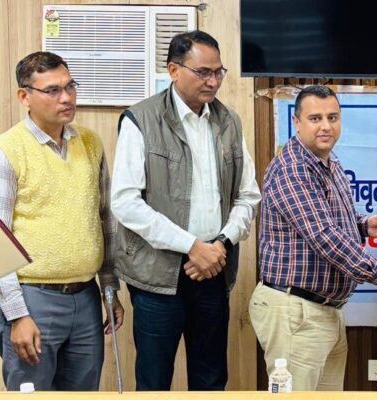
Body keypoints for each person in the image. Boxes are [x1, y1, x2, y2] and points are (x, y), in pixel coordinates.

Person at [111, 30, 260, 391]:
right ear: (173, 70)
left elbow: (248, 196)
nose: (213, 81)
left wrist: (219, 245)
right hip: (157, 274)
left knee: (211, 379)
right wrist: (192, 246)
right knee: (154, 381)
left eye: (219, 72)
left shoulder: (228, 121)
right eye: (203, 72)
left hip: (213, 268)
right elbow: (126, 202)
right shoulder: (141, 119)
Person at [249, 85, 377, 391]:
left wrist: (363, 225)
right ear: (297, 122)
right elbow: (324, 236)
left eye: (332, 117)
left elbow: (329, 221)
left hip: (325, 310)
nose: (325, 126)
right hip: (296, 311)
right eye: (315, 118)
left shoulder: (328, 162)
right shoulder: (293, 169)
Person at [0, 51, 124, 391]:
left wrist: (110, 288)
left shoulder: (90, 143)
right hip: (32, 298)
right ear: (24, 96)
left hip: (86, 296)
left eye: (70, 86)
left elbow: (105, 221)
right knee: (31, 394)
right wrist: (17, 315)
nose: (66, 97)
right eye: (52, 90)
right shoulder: (7, 149)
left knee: (84, 393)